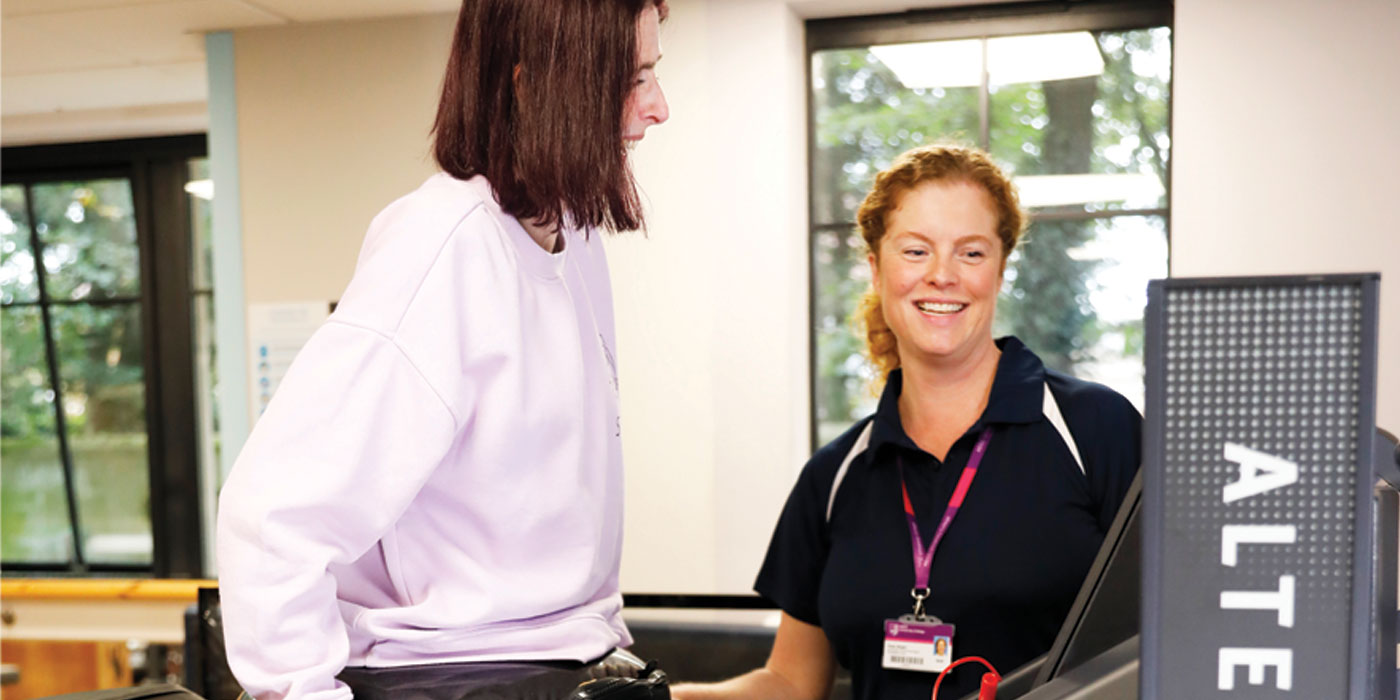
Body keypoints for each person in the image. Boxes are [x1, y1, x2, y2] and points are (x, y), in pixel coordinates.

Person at [216, 1, 669, 698]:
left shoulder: (573, 241)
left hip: (569, 662)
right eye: (631, 81)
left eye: (652, 75)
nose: (657, 108)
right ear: (533, 83)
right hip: (455, 675)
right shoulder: (444, 248)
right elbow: (272, 520)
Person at [672, 144, 1140, 700]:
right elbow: (791, 682)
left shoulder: (1096, 431)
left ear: (1000, 269)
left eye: (971, 253)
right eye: (916, 251)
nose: (942, 275)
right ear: (875, 267)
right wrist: (661, 698)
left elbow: (1169, 636)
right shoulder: (833, 477)